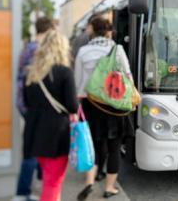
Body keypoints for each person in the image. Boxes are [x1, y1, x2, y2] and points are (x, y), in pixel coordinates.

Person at [74, 16, 134, 200]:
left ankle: (91, 180)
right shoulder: (117, 49)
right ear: (108, 31)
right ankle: (109, 188)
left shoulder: (83, 51)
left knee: (94, 143)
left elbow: (78, 82)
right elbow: (128, 76)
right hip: (113, 105)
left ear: (93, 30)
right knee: (114, 147)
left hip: (91, 104)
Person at [23, 30, 79, 201]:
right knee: (52, 182)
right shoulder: (64, 72)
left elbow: (27, 102)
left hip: (35, 130)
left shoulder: (32, 72)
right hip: (56, 133)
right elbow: (72, 106)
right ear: (62, 48)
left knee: (49, 179)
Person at [14, 17, 55, 201]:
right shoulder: (39, 51)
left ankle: (31, 187)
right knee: (34, 151)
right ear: (47, 31)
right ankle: (24, 192)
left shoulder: (27, 49)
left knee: (33, 148)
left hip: (24, 104)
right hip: (35, 108)